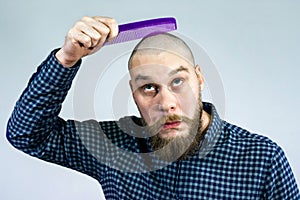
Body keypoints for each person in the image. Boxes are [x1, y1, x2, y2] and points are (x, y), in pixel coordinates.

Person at [6, 16, 300, 199]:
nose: (167, 103)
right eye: (149, 88)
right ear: (134, 94)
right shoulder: (114, 146)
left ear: (198, 78)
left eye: (177, 82)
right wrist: (67, 59)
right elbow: (26, 134)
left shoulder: (262, 159)